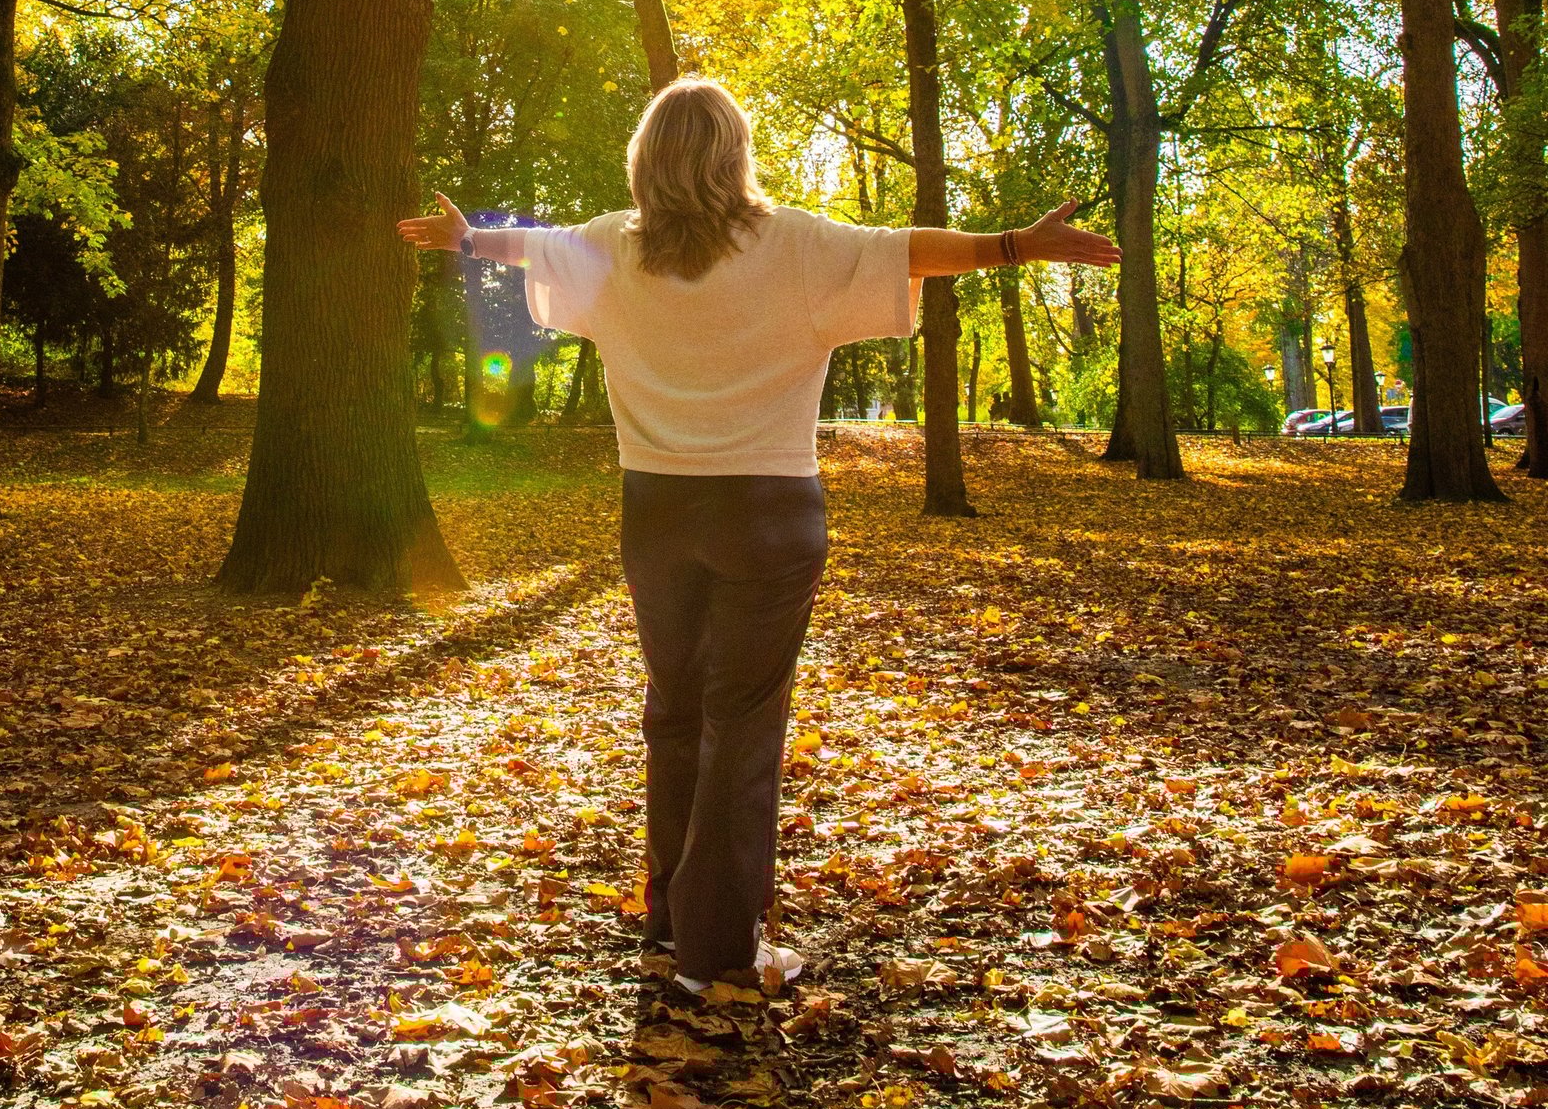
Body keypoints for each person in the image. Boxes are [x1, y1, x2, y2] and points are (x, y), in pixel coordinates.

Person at [398, 78, 1119, 993]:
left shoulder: (609, 246)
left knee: (675, 712)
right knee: (740, 726)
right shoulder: (795, 244)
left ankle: (671, 923)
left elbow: (523, 246)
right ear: (735, 156)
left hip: (657, 513)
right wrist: (1017, 245)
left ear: (645, 160)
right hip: (768, 519)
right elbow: (913, 252)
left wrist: (465, 240)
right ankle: (718, 950)